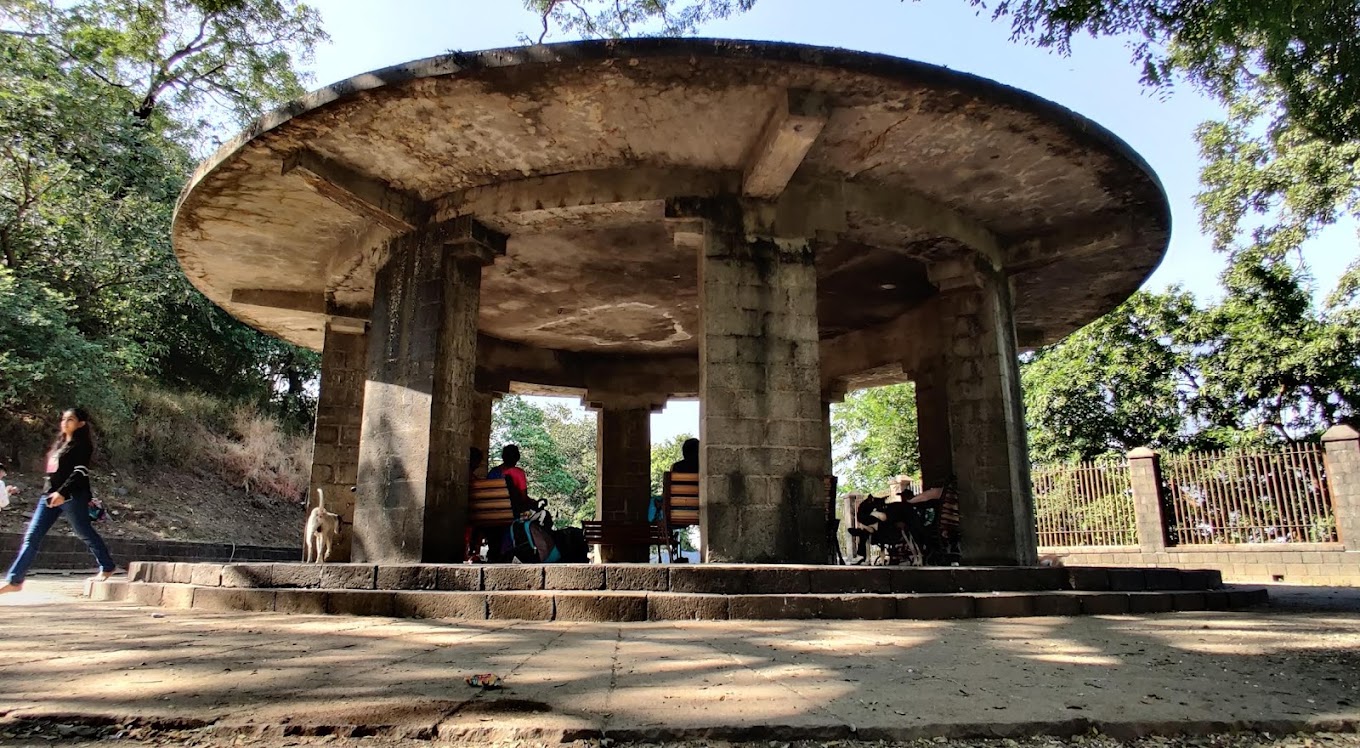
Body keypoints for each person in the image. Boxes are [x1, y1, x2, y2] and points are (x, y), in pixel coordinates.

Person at [1, 408, 117, 593]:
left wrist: (63, 492)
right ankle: (15, 581)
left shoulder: (82, 445)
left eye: (70, 419)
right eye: (64, 419)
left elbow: (80, 472)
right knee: (32, 536)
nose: (65, 422)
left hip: (71, 496)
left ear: (80, 424)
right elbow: (53, 473)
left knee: (84, 531)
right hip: (49, 496)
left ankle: (107, 566)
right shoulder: (60, 444)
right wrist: (50, 492)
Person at [487, 444, 532, 516]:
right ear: (517, 458)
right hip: (512, 513)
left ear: (503, 457)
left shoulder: (493, 473)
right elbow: (523, 497)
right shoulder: (518, 473)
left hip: (491, 511)